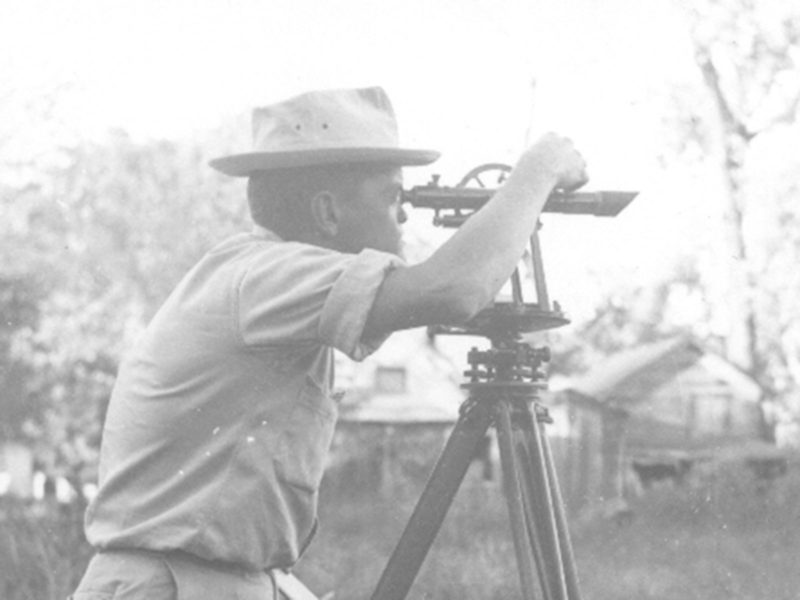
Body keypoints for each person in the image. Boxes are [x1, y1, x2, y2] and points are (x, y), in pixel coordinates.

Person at [70, 86, 587, 599]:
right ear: (327, 213)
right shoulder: (266, 275)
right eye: (392, 197)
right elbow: (454, 290)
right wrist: (537, 172)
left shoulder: (262, 281)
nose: (404, 217)